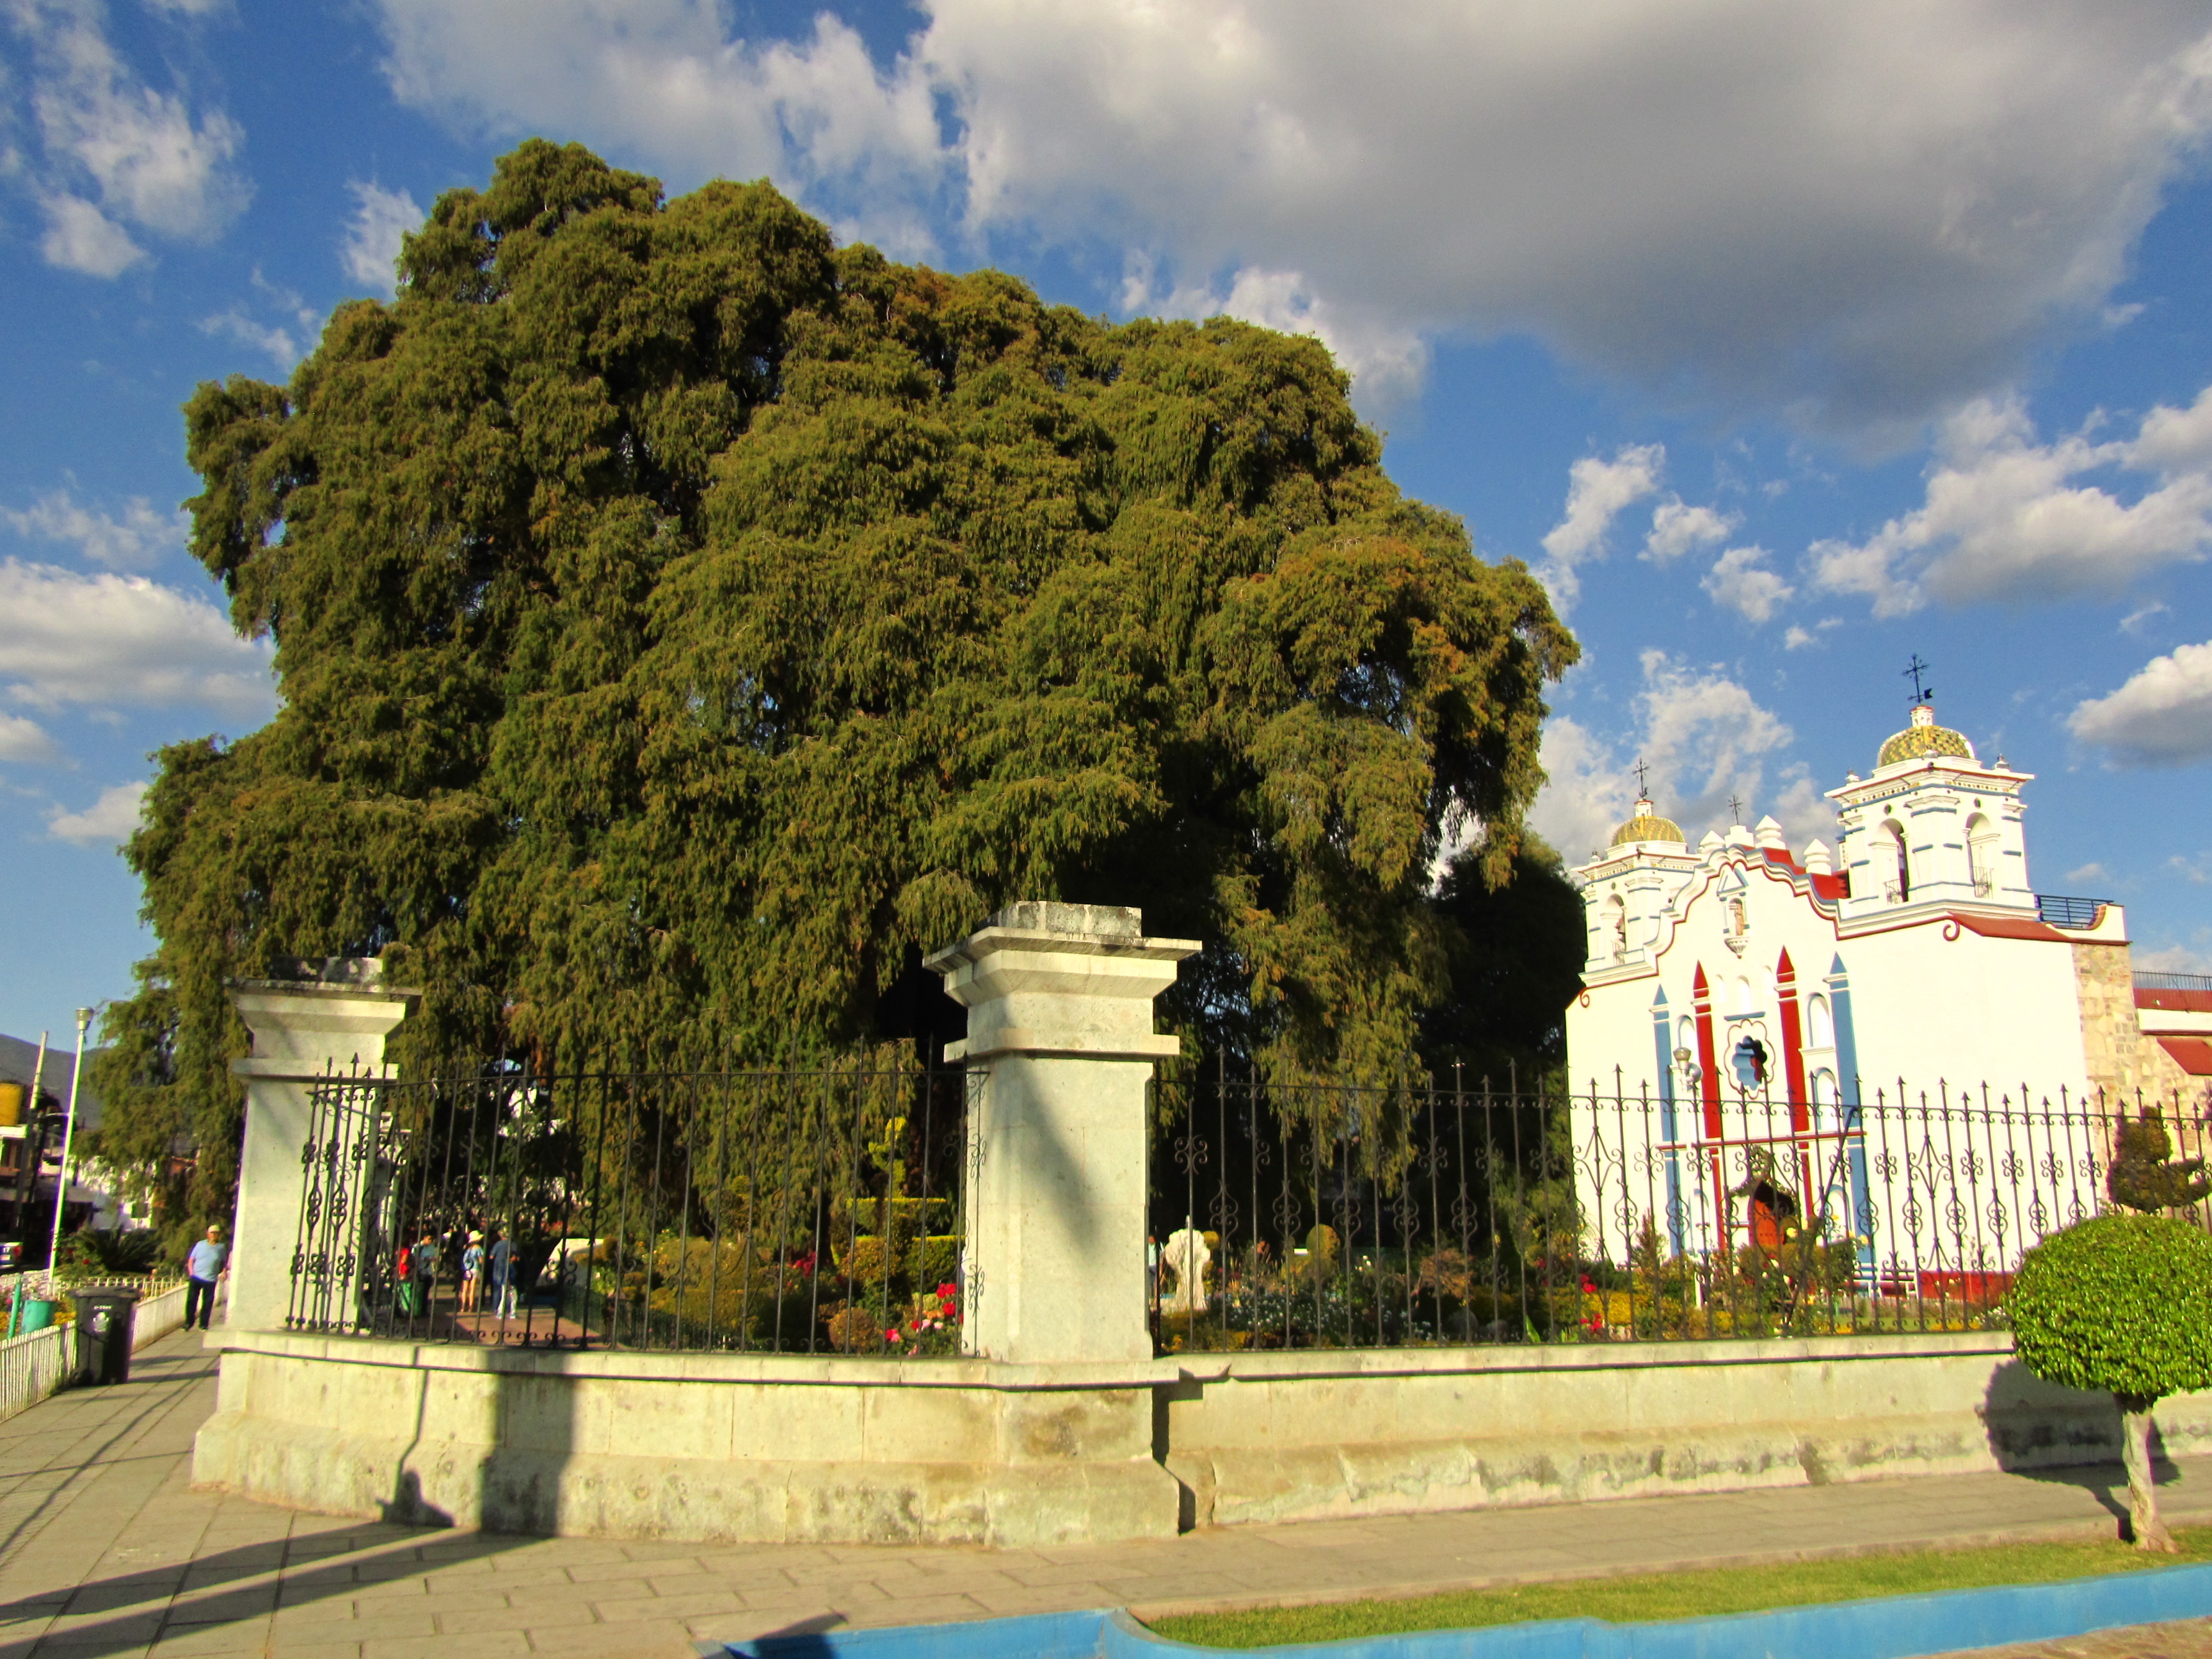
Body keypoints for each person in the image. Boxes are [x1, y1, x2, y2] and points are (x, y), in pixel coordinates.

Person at [184, 1225, 227, 1331]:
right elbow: (191, 1259)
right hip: (196, 1277)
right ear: (208, 1234)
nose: (214, 1235)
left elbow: (224, 1262)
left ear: (219, 1235)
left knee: (207, 1303)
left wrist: (224, 1272)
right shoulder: (200, 1245)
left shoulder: (221, 1248)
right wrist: (191, 1272)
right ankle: (189, 1322)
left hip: (210, 1279)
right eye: (212, 1233)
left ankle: (203, 1324)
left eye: (216, 1233)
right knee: (191, 1300)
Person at [488, 1231, 515, 1321]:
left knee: (497, 1288)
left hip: (498, 1267)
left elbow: (491, 1257)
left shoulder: (498, 1244)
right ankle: (508, 1308)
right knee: (508, 1289)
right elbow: (516, 1257)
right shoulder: (513, 1244)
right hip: (509, 1267)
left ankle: (496, 1307)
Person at [460, 1232, 485, 1313]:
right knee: (472, 1289)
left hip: (466, 1269)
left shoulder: (466, 1247)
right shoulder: (478, 1248)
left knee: (465, 1289)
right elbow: (481, 1260)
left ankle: (463, 1307)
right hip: (475, 1268)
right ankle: (471, 1307)